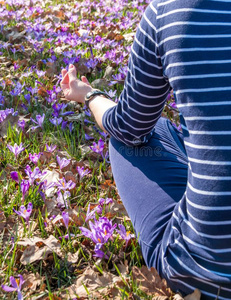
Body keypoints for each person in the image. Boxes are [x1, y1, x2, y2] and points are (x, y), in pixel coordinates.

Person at [60, 0, 231, 299]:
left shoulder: (167, 11)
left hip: (205, 268)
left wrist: (89, 95)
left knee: (147, 134)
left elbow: (128, 128)